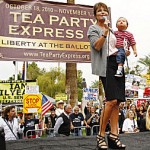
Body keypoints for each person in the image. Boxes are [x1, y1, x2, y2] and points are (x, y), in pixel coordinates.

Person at [87, 2, 130, 149]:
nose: (102, 13)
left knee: (117, 102)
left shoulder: (113, 30)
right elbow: (97, 46)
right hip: (106, 66)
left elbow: (116, 46)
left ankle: (113, 136)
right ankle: (100, 135)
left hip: (117, 64)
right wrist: (105, 32)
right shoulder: (93, 29)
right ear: (95, 14)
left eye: (104, 11)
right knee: (110, 100)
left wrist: (124, 51)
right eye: (99, 11)